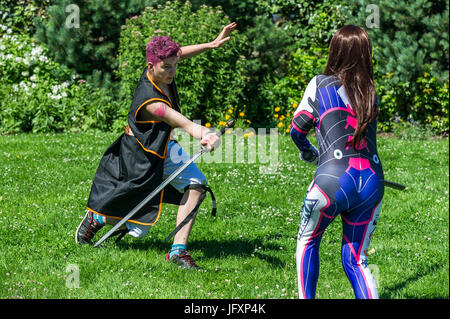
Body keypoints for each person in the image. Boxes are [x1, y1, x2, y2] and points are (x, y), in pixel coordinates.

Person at [75, 22, 238, 270]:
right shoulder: (150, 101)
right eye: (167, 67)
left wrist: (212, 44)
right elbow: (179, 120)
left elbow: (180, 52)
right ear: (151, 66)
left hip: (164, 146)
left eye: (174, 65)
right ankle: (97, 218)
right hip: (139, 154)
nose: (172, 71)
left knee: (196, 185)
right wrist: (204, 132)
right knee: (139, 214)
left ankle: (178, 251)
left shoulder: (161, 66)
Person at [290, 25, 384, 298]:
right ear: (366, 54)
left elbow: (298, 128)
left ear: (335, 51)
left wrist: (306, 151)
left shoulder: (321, 82)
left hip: (332, 181)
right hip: (371, 183)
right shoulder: (371, 91)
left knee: (308, 242)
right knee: (357, 260)